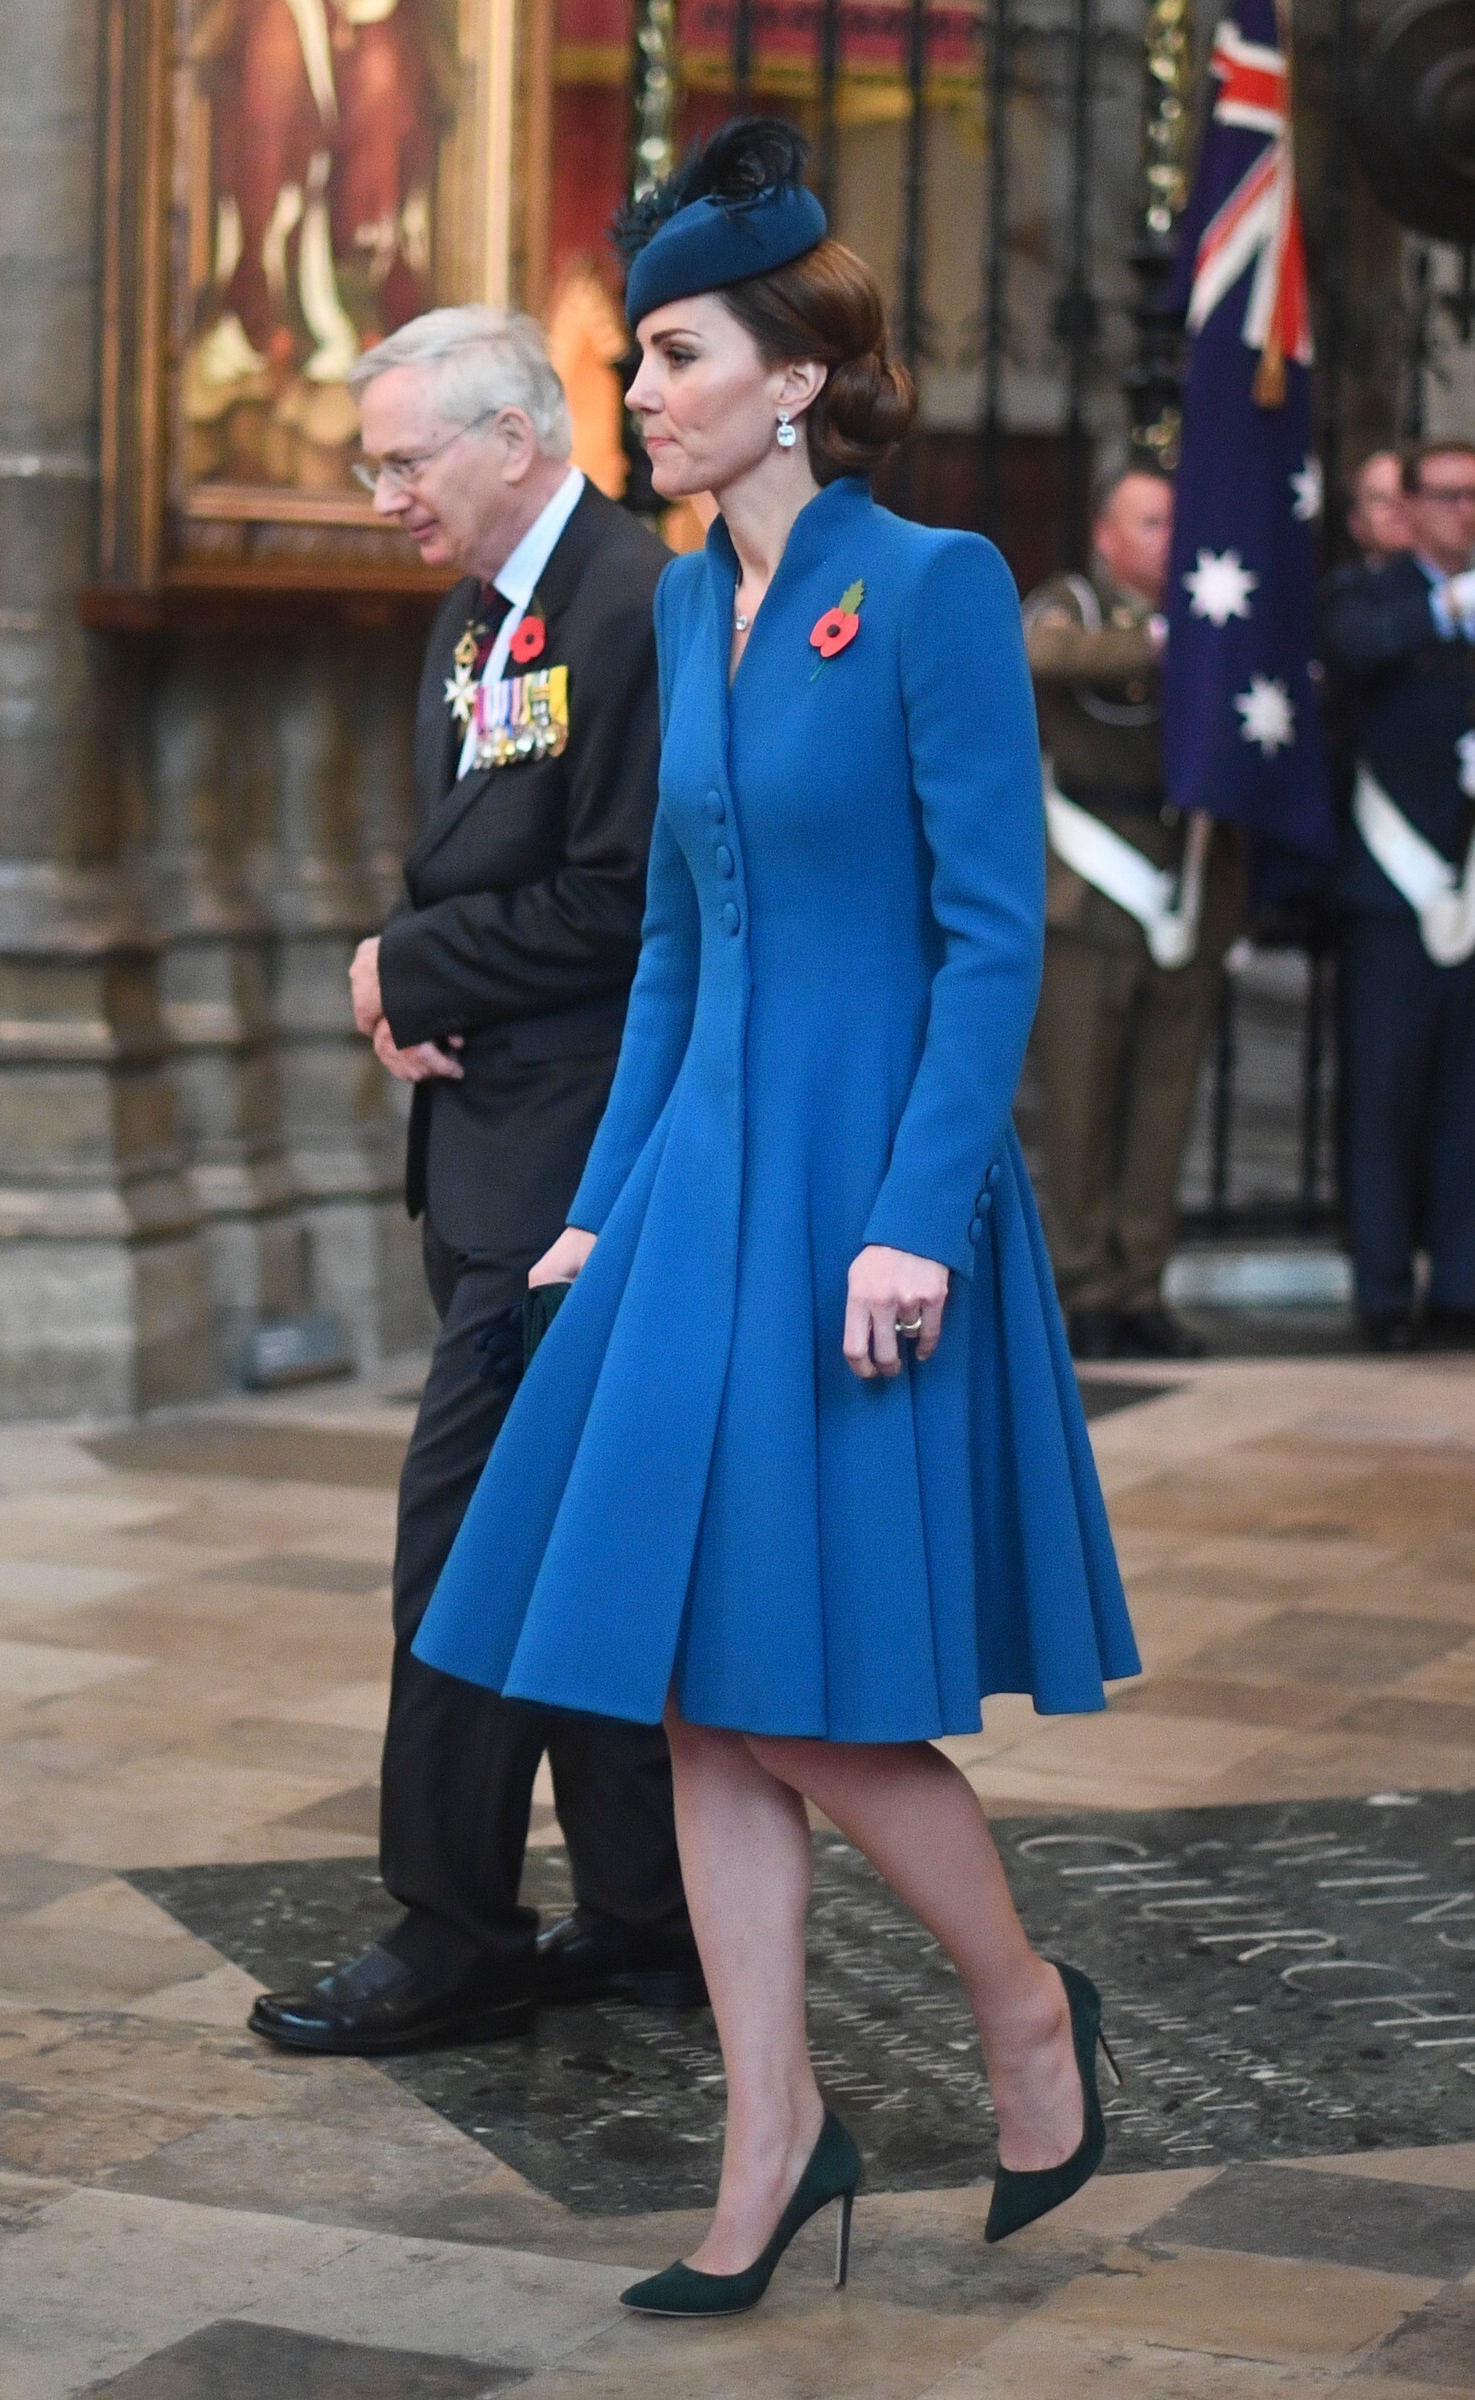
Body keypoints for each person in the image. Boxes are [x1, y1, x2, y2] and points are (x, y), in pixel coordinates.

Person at [409, 123, 1140, 2315]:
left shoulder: (926, 589)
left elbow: (990, 936)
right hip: (698, 1196)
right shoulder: (687, 609)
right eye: (639, 357)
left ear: (794, 377)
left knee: (802, 1692)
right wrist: (602, 1210)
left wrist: (917, 1219)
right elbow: (674, 949)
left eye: (676, 356)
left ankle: (1027, 2016)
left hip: (857, 1196)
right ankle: (774, 2135)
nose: (639, 391)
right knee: (694, 1692)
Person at [249, 307, 703, 2059]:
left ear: (513, 437)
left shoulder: (633, 605)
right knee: (570, 1544)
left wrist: (407, 968)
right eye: (372, 466)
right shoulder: (474, 614)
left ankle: (450, 1932)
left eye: (401, 462)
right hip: (485, 1143)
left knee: (462, 1553)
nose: (382, 497)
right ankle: (644, 1917)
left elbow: (627, 899)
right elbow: (468, 858)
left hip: (573, 1170)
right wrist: (412, 984)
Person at [1024, 470, 1245, 1361]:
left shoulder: (1220, 617)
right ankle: (1083, 1286)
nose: (1169, 538)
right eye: (1150, 522)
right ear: (1105, 535)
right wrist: (1157, 642)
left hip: (1181, 874)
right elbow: (1040, 656)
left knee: (1163, 1101)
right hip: (1089, 886)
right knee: (1077, 1103)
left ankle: (1140, 1285)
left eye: (1177, 521)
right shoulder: (1072, 603)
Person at [1322, 438, 1475, 1351]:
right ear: (1409, 508)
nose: (1466, 512)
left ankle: (1461, 1282)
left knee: (1466, 1098)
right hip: (1390, 887)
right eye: (1449, 495)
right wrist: (1444, 608)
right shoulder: (1369, 592)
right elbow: (1353, 653)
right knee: (1383, 1096)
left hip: (1471, 875)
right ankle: (1382, 1289)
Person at [1346, 449, 1411, 569]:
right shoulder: (1344, 581)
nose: (1397, 505)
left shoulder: (1448, 580)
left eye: (1406, 495)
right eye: (1380, 498)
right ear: (1355, 523)